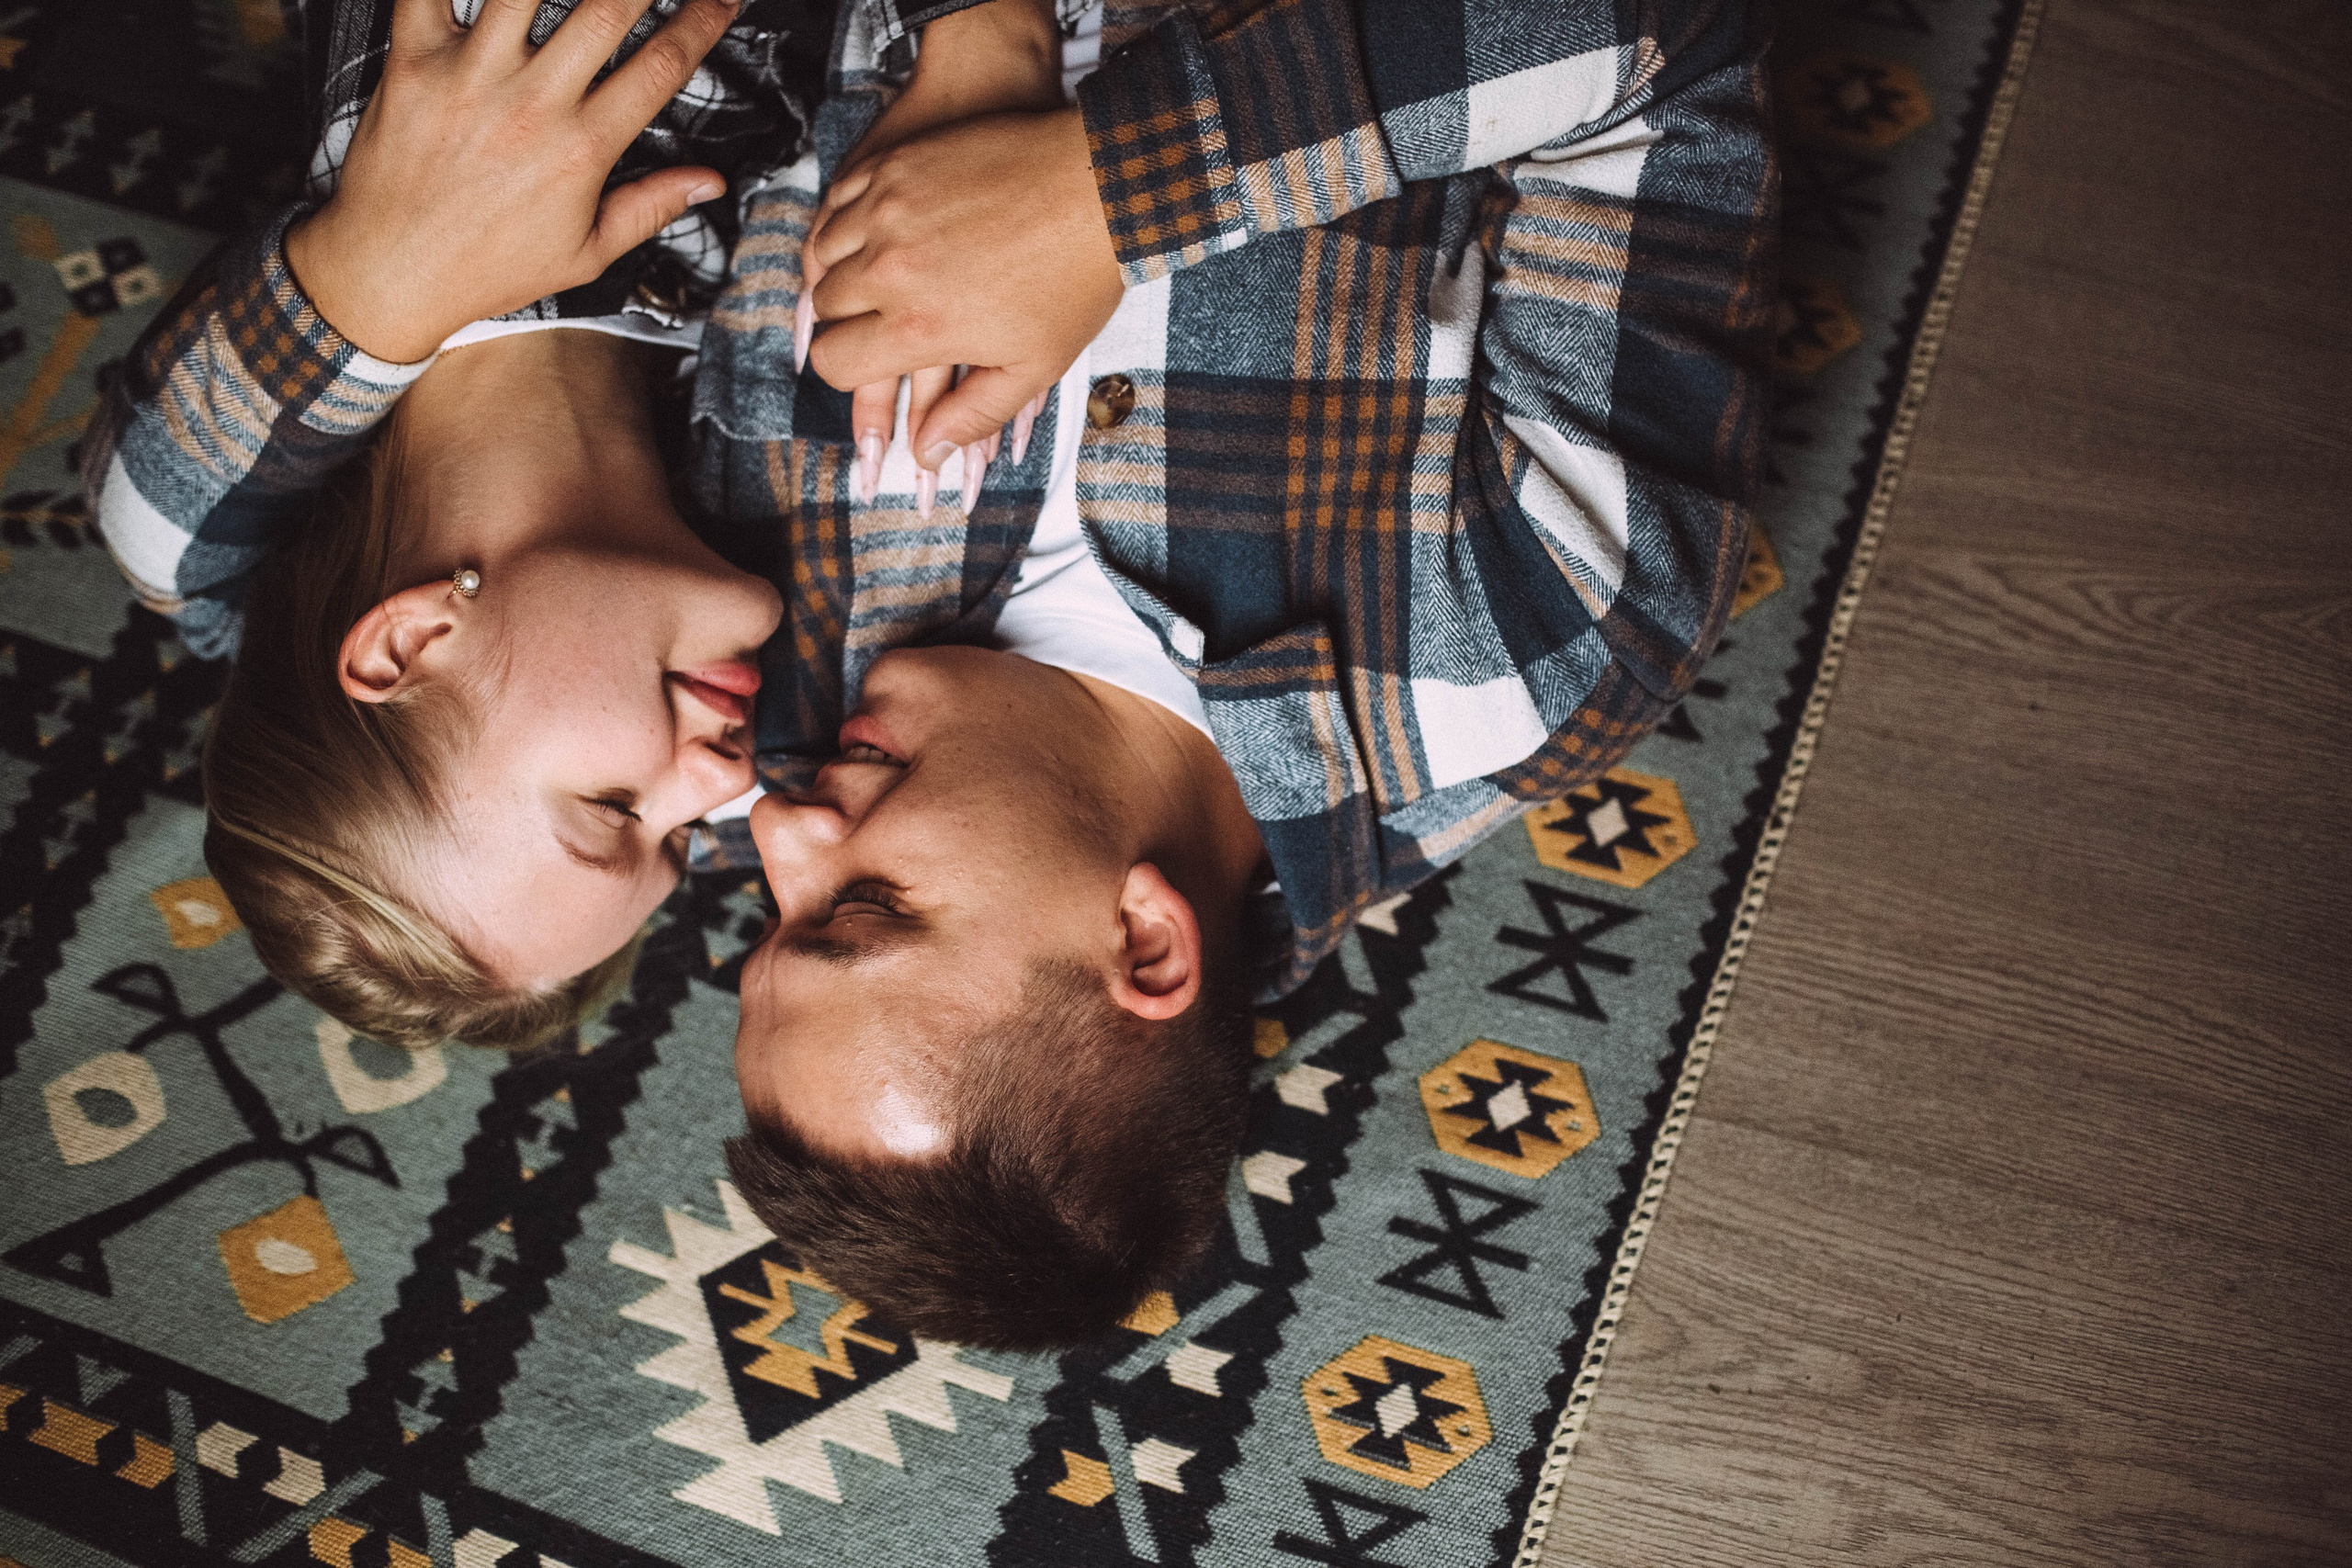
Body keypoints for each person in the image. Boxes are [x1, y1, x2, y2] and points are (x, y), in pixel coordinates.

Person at [713, 0, 1778, 1348]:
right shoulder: (1537, 639)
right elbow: (1654, 43)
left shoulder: (741, 680)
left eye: (771, 908)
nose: (776, 825)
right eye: (862, 905)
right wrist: (1102, 196)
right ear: (1146, 939)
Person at [86, 0, 830, 1046]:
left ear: (414, 638)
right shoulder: (792, 456)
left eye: (615, 806)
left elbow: (169, 524)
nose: (725, 780)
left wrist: (382, 280)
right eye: (676, 840)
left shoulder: (480, 85)